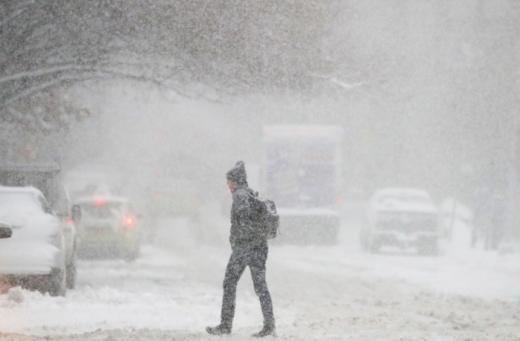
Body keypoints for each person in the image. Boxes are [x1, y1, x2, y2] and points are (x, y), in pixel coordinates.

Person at [206, 161, 276, 337]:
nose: (228, 184)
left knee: (229, 283)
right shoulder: (251, 193)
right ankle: (269, 325)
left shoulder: (239, 196)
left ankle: (225, 324)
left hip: (245, 247)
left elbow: (242, 220)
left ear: (235, 181)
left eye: (229, 181)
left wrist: (237, 240)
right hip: (260, 246)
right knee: (261, 286)